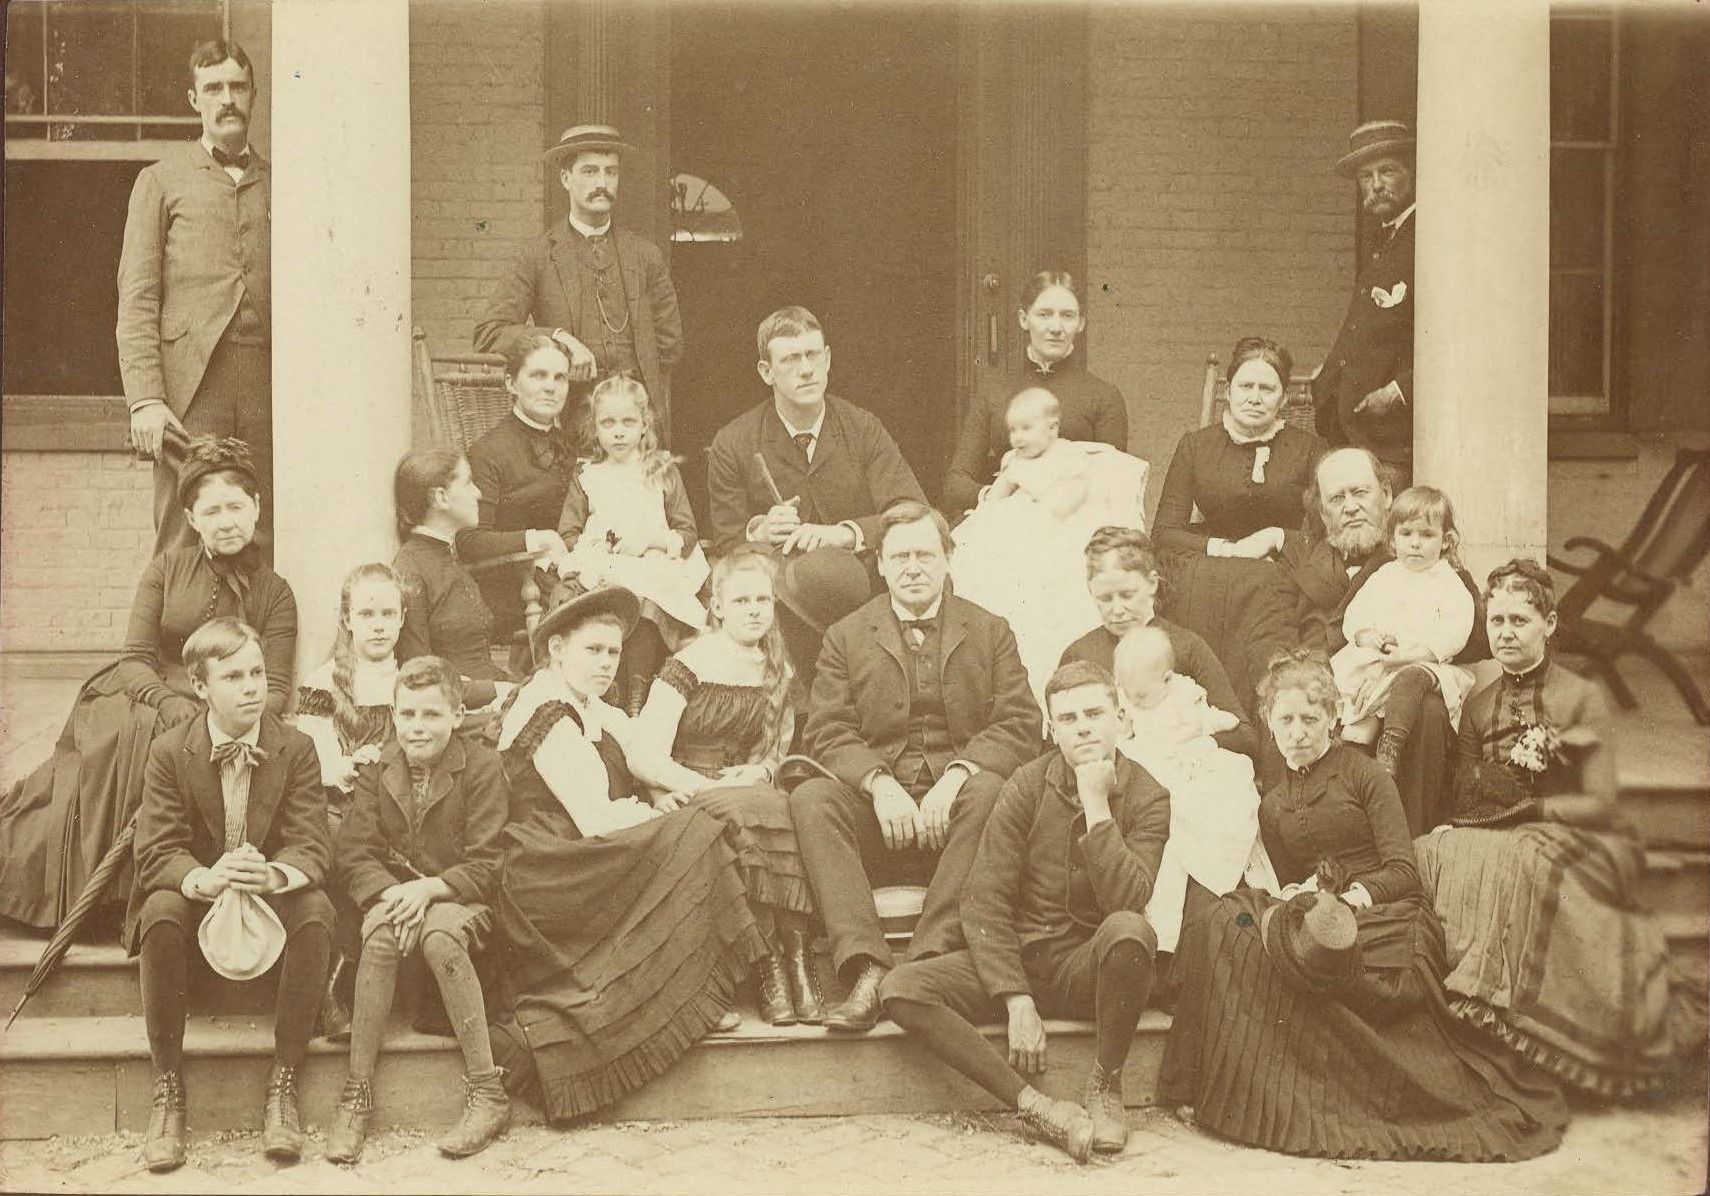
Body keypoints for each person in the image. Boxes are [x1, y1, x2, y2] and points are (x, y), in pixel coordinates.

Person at [1158, 649, 1567, 1162]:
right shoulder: (1274, 803)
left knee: (1320, 958)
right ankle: (1231, 1092)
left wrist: (1348, 898)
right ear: (1269, 723)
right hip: (1320, 917)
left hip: (1388, 916)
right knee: (1225, 921)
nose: (1298, 732)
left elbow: (1403, 872)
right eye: (1285, 720)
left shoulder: (1364, 776)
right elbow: (1291, 879)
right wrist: (1298, 895)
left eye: (1311, 718)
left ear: (1334, 719)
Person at [485, 585, 807, 1121]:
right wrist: (663, 815)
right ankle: (691, 996)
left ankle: (696, 991)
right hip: (551, 862)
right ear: (558, 648)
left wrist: (694, 791)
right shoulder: (546, 710)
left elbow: (642, 756)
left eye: (613, 653)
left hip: (589, 846)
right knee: (697, 837)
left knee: (708, 822)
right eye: (593, 650)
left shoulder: (594, 707)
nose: (606, 664)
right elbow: (594, 815)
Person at [1414, 560, 1703, 1098]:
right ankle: (1480, 1032)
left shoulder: (1582, 697)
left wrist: (1534, 813)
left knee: (1524, 859)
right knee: (1437, 854)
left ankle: (1539, 1032)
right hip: (1498, 835)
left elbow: (1602, 805)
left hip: (1578, 834)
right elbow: (1468, 799)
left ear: (1549, 624)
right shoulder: (1478, 708)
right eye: (1496, 620)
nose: (1505, 632)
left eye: (1519, 620)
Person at [0, 437, 295, 930]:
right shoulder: (165, 569)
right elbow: (135, 659)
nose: (227, 521)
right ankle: (98, 902)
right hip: (145, 693)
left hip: (220, 711)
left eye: (237, 507)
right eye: (213, 510)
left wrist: (223, 718)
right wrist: (170, 704)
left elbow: (279, 684)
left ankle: (146, 898)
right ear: (192, 518)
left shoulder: (275, 591)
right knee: (121, 746)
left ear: (257, 507)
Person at [879, 660, 1168, 1163]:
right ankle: (1035, 1107)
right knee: (902, 988)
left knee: (1130, 931)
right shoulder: (1025, 785)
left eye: (1095, 713)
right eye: (1068, 718)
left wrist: (1097, 806)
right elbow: (984, 897)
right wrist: (1015, 999)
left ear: (1120, 719)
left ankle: (1105, 1086)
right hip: (1020, 962)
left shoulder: (1148, 795)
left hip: (1086, 972)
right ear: (1052, 730)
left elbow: (1127, 898)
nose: (1083, 727)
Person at [789, 502, 1041, 1033]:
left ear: (948, 559)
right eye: (899, 556)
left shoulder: (991, 630)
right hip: (880, 816)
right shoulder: (847, 634)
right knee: (812, 800)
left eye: (925, 554)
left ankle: (928, 960)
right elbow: (826, 728)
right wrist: (878, 785)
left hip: (961, 821)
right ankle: (868, 967)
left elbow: (1020, 721)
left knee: (993, 790)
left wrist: (958, 775)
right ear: (878, 564)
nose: (912, 567)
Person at [128, 618, 334, 1172]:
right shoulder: (171, 751)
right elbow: (157, 849)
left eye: (259, 673)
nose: (251, 688)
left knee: (316, 910)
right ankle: (168, 1088)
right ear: (200, 687)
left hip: (265, 896)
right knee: (160, 909)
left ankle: (284, 1082)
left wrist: (273, 875)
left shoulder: (296, 747)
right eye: (234, 676)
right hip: (202, 903)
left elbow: (311, 840)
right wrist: (205, 876)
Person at [326, 657, 510, 1163]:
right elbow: (354, 852)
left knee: (439, 937)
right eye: (407, 714)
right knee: (381, 935)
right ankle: (356, 1093)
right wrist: (393, 895)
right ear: (393, 714)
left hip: (461, 898)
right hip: (397, 896)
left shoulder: (483, 767)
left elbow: (489, 860)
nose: (417, 727)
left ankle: (487, 1090)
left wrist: (429, 891)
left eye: (431, 715)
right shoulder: (378, 769)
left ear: (456, 716)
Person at [632, 548, 823, 1024]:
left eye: (763, 599)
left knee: (784, 810)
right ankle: (769, 969)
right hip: (689, 787)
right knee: (745, 815)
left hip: (751, 787)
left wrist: (759, 772)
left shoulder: (777, 669)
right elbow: (643, 754)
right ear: (717, 607)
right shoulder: (688, 665)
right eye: (741, 601)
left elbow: (778, 750)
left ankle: (797, 963)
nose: (755, 610)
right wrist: (697, 784)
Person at [705, 305, 926, 673]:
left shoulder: (862, 428)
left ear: (827, 360)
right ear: (766, 372)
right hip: (784, 605)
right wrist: (758, 530)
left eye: (812, 355)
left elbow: (913, 510)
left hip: (863, 591)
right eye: (790, 359)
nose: (805, 369)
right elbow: (727, 544)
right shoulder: (734, 442)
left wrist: (844, 534)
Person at [119, 40, 272, 560]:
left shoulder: (283, 182)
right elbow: (138, 297)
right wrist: (146, 397)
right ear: (194, 100)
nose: (227, 99)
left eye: (237, 87)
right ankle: (165, 646)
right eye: (214, 89)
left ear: (253, 95)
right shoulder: (160, 180)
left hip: (267, 379)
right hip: (191, 386)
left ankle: (253, 643)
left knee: (263, 519)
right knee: (186, 525)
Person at [1279, 447, 1477, 832]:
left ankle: (1411, 838)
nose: (1350, 507)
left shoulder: (1433, 567)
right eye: (1337, 498)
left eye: (1360, 493)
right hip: (1342, 677)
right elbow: (1298, 636)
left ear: (1386, 495)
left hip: (1414, 674)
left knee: (1429, 711)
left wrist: (1411, 653)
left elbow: (1472, 631)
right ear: (1323, 515)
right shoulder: (1304, 570)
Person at [473, 124, 684, 443]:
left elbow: (669, 346)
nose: (602, 183)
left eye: (611, 172)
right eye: (589, 171)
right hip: (567, 428)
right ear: (565, 178)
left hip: (637, 429)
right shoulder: (537, 256)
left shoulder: (645, 256)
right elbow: (489, 333)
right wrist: (558, 340)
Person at [1151, 336, 1326, 712]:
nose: (1255, 397)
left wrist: (1274, 537)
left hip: (1280, 566)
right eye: (1246, 386)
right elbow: (1164, 532)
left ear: (1283, 399)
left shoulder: (1308, 448)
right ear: (1229, 392)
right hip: (1212, 564)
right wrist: (1226, 549)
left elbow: (1323, 534)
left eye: (1267, 389)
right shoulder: (1196, 445)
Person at [951, 388, 1141, 704]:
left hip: (1061, 523)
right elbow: (996, 496)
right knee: (974, 558)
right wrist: (992, 513)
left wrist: (1047, 511)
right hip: (1018, 524)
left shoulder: (1069, 457)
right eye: (1012, 430)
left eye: (1026, 429)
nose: (1018, 438)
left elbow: (1073, 496)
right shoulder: (1014, 462)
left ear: (1052, 428)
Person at [1112, 627, 1276, 955]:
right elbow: (1124, 732)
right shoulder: (1130, 698)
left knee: (1197, 818)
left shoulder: (1184, 697)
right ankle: (1163, 936)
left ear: (1168, 680)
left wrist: (1214, 731)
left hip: (1190, 765)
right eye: (1128, 694)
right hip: (1153, 766)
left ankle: (1196, 914)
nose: (1133, 701)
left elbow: (1216, 721)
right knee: (1164, 838)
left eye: (1140, 696)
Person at [559, 373, 708, 713]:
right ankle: (611, 689)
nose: (619, 431)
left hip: (655, 562)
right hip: (607, 563)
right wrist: (597, 545)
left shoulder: (660, 470)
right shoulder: (588, 475)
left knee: (648, 603)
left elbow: (686, 531)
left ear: (645, 425)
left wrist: (652, 540)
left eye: (628, 421)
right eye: (608, 422)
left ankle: (637, 695)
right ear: (594, 427)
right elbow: (569, 531)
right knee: (619, 597)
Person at [1058, 526, 1258, 762]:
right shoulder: (1080, 655)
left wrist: (1196, 743)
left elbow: (1245, 736)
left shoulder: (1186, 646)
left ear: (1152, 583)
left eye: (1127, 595)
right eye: (1104, 598)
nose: (1117, 609)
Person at [942, 271, 1128, 516]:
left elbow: (1113, 486)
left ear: (1081, 322)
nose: (1056, 327)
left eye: (1068, 316)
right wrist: (994, 495)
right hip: (1008, 518)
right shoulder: (995, 392)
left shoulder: (1103, 396)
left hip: (1074, 524)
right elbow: (956, 482)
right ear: (1023, 319)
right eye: (1044, 314)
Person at [1331, 486, 1476, 773]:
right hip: (1380, 661)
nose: (1415, 544)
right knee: (1359, 718)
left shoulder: (1449, 582)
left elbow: (1456, 631)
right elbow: (1355, 615)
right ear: (1393, 540)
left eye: (1426, 535)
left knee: (1410, 679)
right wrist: (1368, 636)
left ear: (1445, 541)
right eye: (1406, 534)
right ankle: (1353, 767)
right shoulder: (1384, 575)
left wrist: (1415, 654)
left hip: (1425, 664)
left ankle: (1392, 744)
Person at [1312, 120, 1417, 482]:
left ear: (1413, 172)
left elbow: (1459, 339)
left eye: (1387, 171)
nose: (1375, 185)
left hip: (1392, 437)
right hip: (1354, 431)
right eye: (1365, 176)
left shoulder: (1429, 235)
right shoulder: (1382, 240)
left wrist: (1400, 390)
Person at [391, 449, 525, 711]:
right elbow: (419, 675)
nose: (478, 493)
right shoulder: (410, 569)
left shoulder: (447, 557)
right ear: (440, 498)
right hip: (462, 711)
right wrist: (498, 689)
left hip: (496, 695)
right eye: (468, 482)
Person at [463, 333, 576, 639]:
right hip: (516, 588)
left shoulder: (570, 446)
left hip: (568, 576)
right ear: (511, 383)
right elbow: (470, 541)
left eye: (560, 377)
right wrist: (537, 539)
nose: (551, 387)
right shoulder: (487, 452)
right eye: (538, 375)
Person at [294, 563, 406, 818]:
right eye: (367, 614)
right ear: (347, 618)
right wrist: (348, 767)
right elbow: (316, 760)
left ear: (402, 618)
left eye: (388, 614)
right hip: (343, 804)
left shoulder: (409, 680)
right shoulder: (322, 683)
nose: (379, 626)